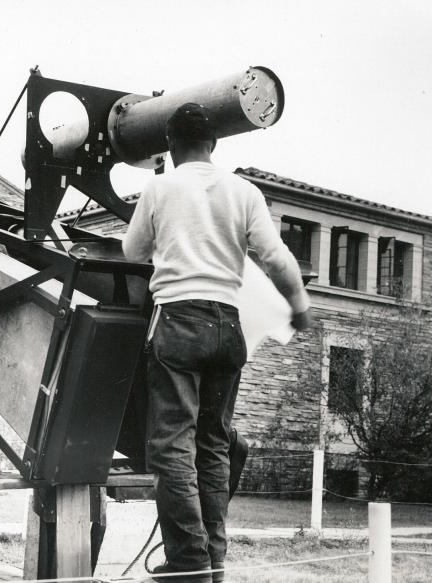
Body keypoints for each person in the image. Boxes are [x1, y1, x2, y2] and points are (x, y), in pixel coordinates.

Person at [122, 103, 312, 583]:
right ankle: (215, 561)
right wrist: (299, 305)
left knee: (171, 448)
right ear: (215, 144)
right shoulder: (244, 191)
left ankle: (189, 564)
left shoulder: (159, 187)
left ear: (170, 143)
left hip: (179, 320)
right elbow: (276, 257)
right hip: (228, 326)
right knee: (214, 445)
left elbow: (132, 252)